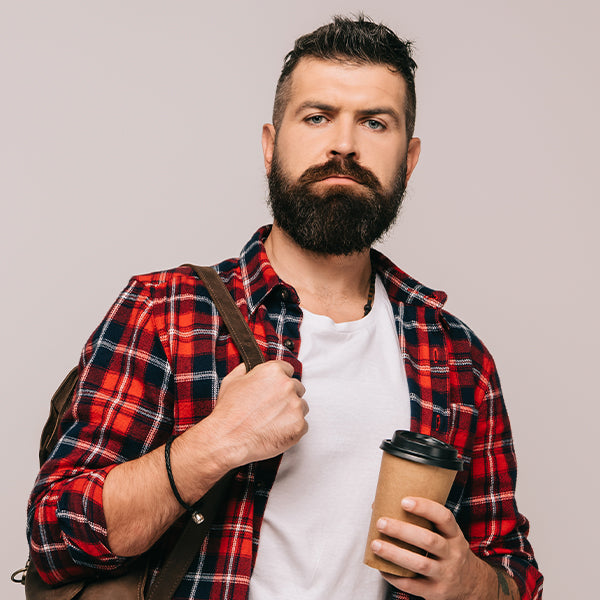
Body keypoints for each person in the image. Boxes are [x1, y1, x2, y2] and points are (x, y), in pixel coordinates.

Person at [27, 15, 543, 600]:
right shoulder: (165, 310)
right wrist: (215, 443)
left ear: (410, 158)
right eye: (318, 116)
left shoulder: (456, 358)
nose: (344, 144)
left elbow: (514, 574)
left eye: (375, 123)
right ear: (271, 144)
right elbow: (53, 533)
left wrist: (468, 582)